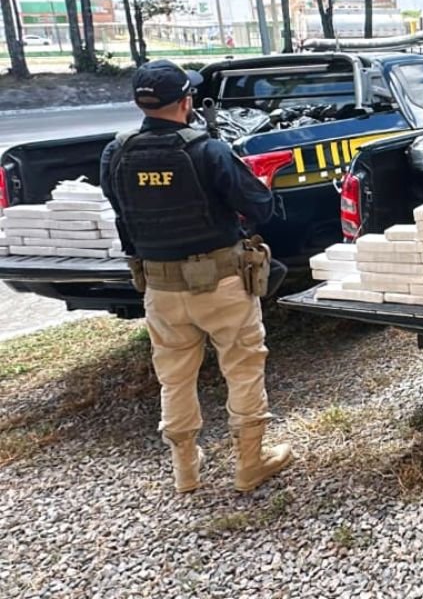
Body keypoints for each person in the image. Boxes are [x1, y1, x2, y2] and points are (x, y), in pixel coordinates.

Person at [99, 60, 293, 494]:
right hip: (222, 283)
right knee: (242, 367)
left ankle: (185, 470)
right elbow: (259, 208)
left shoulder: (117, 152)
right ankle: (250, 463)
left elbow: (121, 209)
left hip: (159, 286)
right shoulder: (209, 150)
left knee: (174, 377)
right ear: (187, 102)